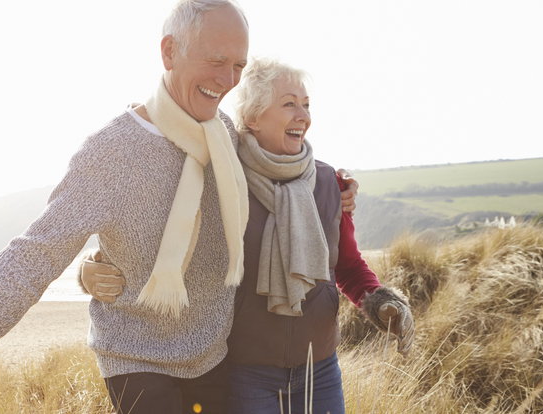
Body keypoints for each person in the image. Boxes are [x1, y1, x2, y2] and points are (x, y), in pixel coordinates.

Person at [0, 1, 252, 413]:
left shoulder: (224, 136)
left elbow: (278, 176)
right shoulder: (111, 153)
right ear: (169, 51)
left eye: (239, 65)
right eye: (216, 60)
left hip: (215, 356)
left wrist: (339, 188)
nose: (228, 80)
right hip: (137, 360)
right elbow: (35, 254)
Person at [80, 58, 414, 414]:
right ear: (253, 117)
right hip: (245, 373)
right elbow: (163, 243)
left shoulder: (330, 184)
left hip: (320, 368)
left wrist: (378, 300)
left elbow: (346, 266)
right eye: (289, 104)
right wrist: (90, 269)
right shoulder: (220, 181)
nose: (303, 115)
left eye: (306, 104)